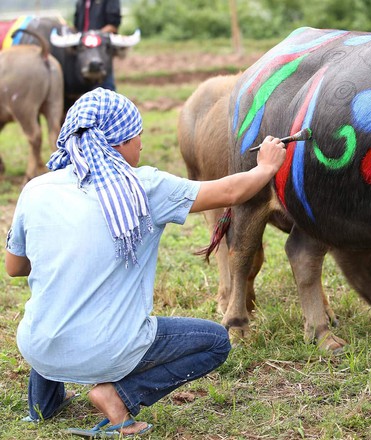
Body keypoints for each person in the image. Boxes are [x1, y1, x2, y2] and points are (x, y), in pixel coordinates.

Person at [5, 88, 286, 437]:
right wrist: (267, 166)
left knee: (56, 309)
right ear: (120, 142)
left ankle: (42, 406)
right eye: (138, 134)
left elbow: (15, 268)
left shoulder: (37, 189)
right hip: (108, 350)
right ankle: (118, 394)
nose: (142, 143)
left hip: (37, 347)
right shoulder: (145, 186)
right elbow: (229, 192)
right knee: (215, 341)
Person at [73, 0, 121, 90]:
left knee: (105, 80)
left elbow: (113, 25)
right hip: (83, 50)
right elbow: (76, 26)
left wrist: (95, 35)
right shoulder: (81, 2)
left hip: (102, 47)